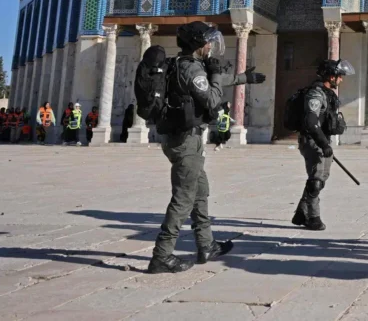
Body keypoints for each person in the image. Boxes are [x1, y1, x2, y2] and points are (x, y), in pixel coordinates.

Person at [147, 20, 266, 274]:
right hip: (186, 141)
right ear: (198, 43)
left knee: (200, 191)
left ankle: (206, 244)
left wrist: (246, 78)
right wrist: (213, 74)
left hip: (178, 139)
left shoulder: (178, 64)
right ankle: (162, 255)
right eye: (209, 41)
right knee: (183, 198)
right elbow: (211, 97)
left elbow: (216, 80)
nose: (212, 45)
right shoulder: (193, 70)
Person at [291, 59, 351, 232]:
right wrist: (323, 144)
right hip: (313, 140)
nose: (341, 80)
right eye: (339, 76)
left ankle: (301, 213)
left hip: (321, 140)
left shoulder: (326, 93)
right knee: (316, 181)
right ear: (331, 76)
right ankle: (313, 218)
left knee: (320, 178)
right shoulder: (315, 94)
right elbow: (311, 122)